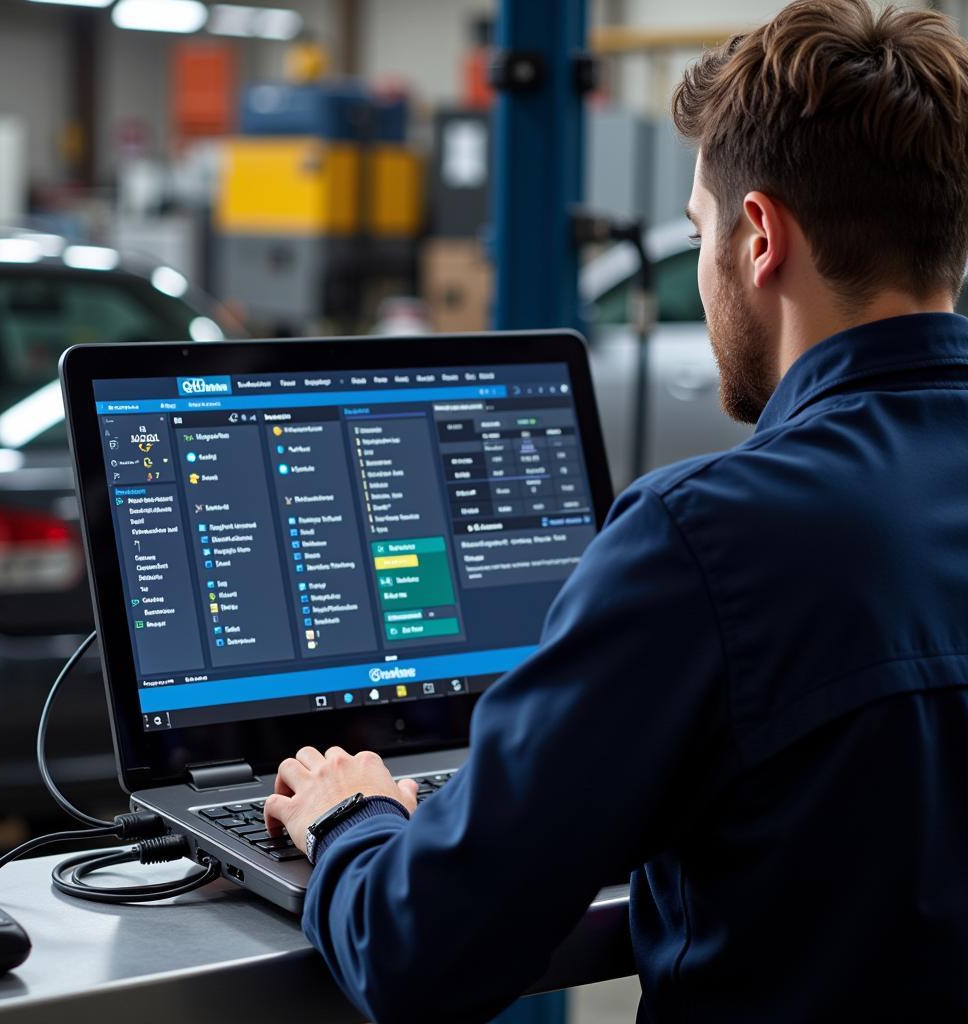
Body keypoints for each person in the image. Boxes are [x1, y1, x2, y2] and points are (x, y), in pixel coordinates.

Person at [264, 1, 968, 1020]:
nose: (702, 258)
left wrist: (352, 818)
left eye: (700, 229)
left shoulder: (709, 536)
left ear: (759, 236)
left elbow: (415, 949)